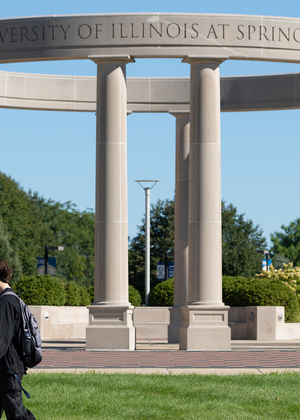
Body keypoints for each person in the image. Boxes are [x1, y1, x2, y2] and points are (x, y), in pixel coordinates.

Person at [0, 259, 35, 420]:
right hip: (6, 367)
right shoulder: (11, 298)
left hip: (9, 368)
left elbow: (2, 339)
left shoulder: (6, 302)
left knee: (17, 414)